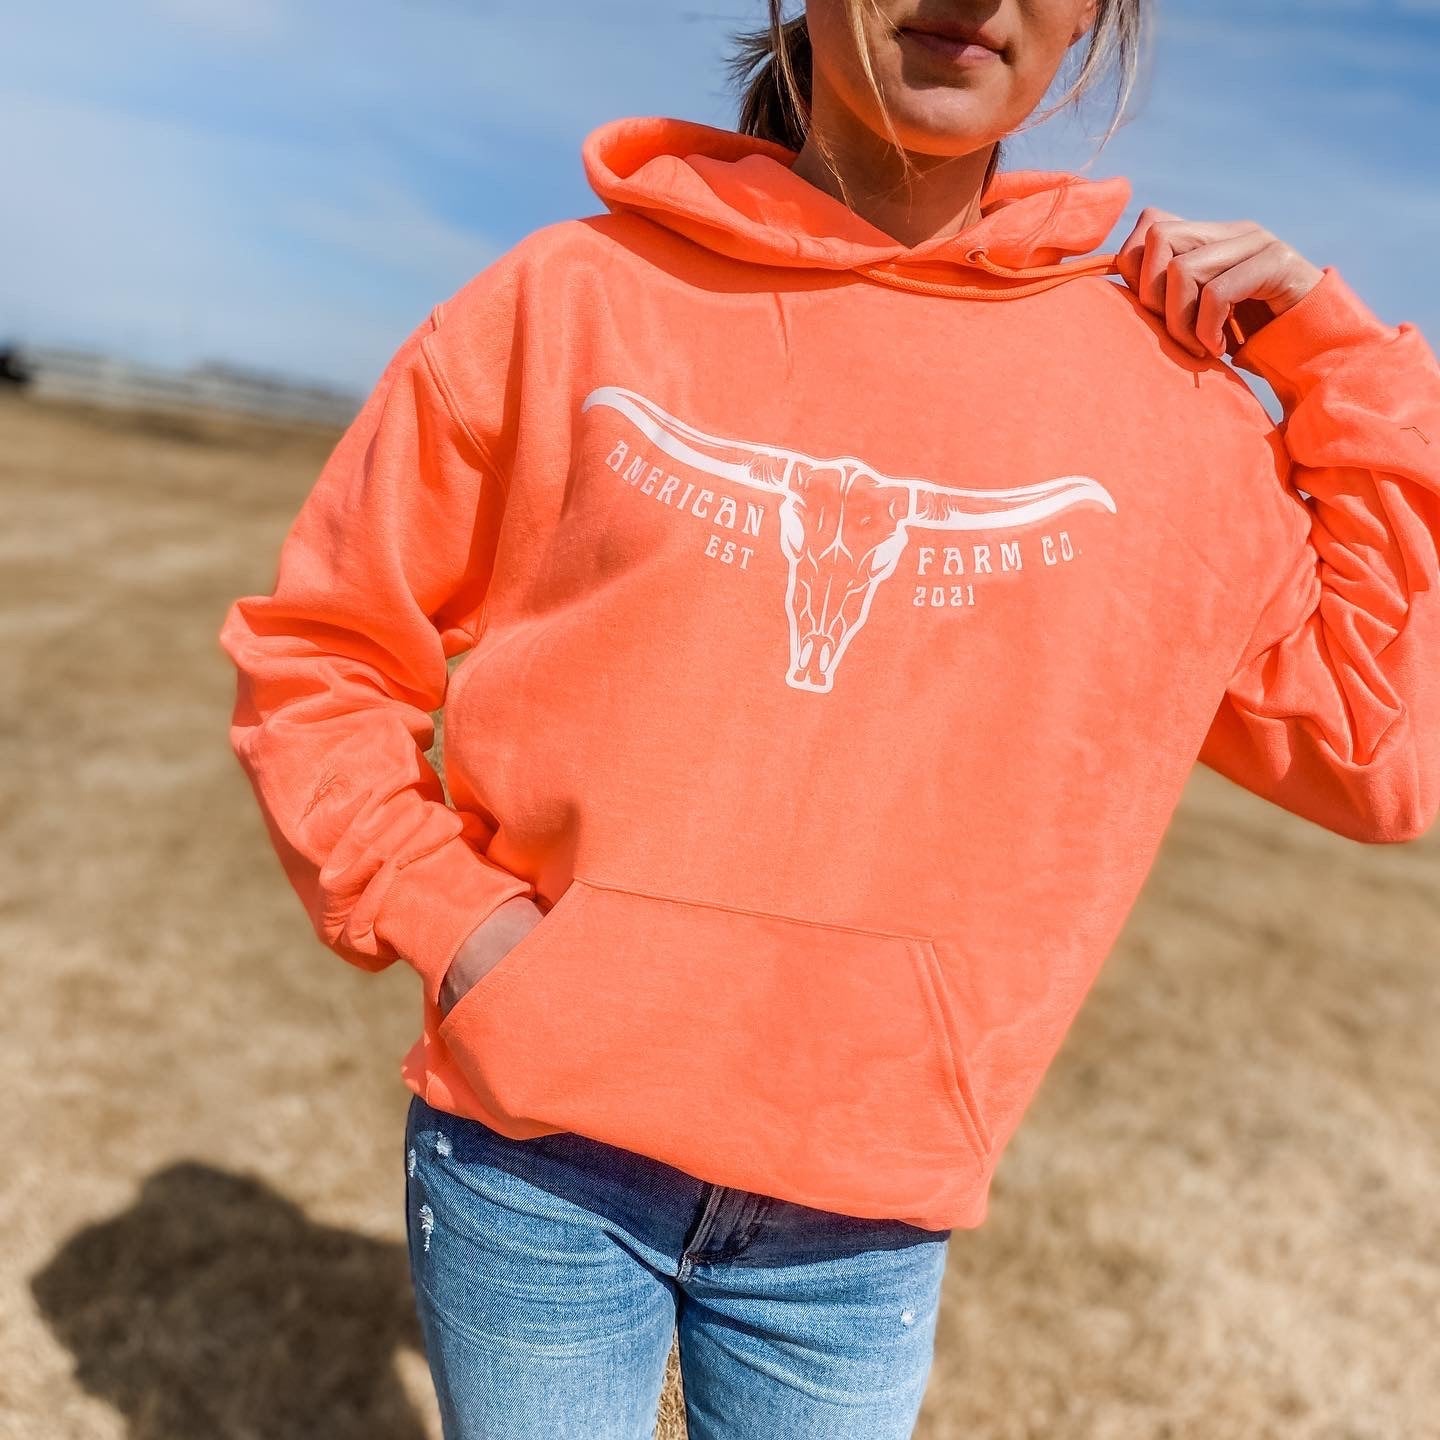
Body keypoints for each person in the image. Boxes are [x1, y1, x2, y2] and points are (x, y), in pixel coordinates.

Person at [217, 1, 1440, 1436]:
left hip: (860, 1211)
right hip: (534, 1160)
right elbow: (321, 656)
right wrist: (458, 923)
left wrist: (1343, 361)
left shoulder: (1167, 405)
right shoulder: (567, 301)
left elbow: (1377, 747)